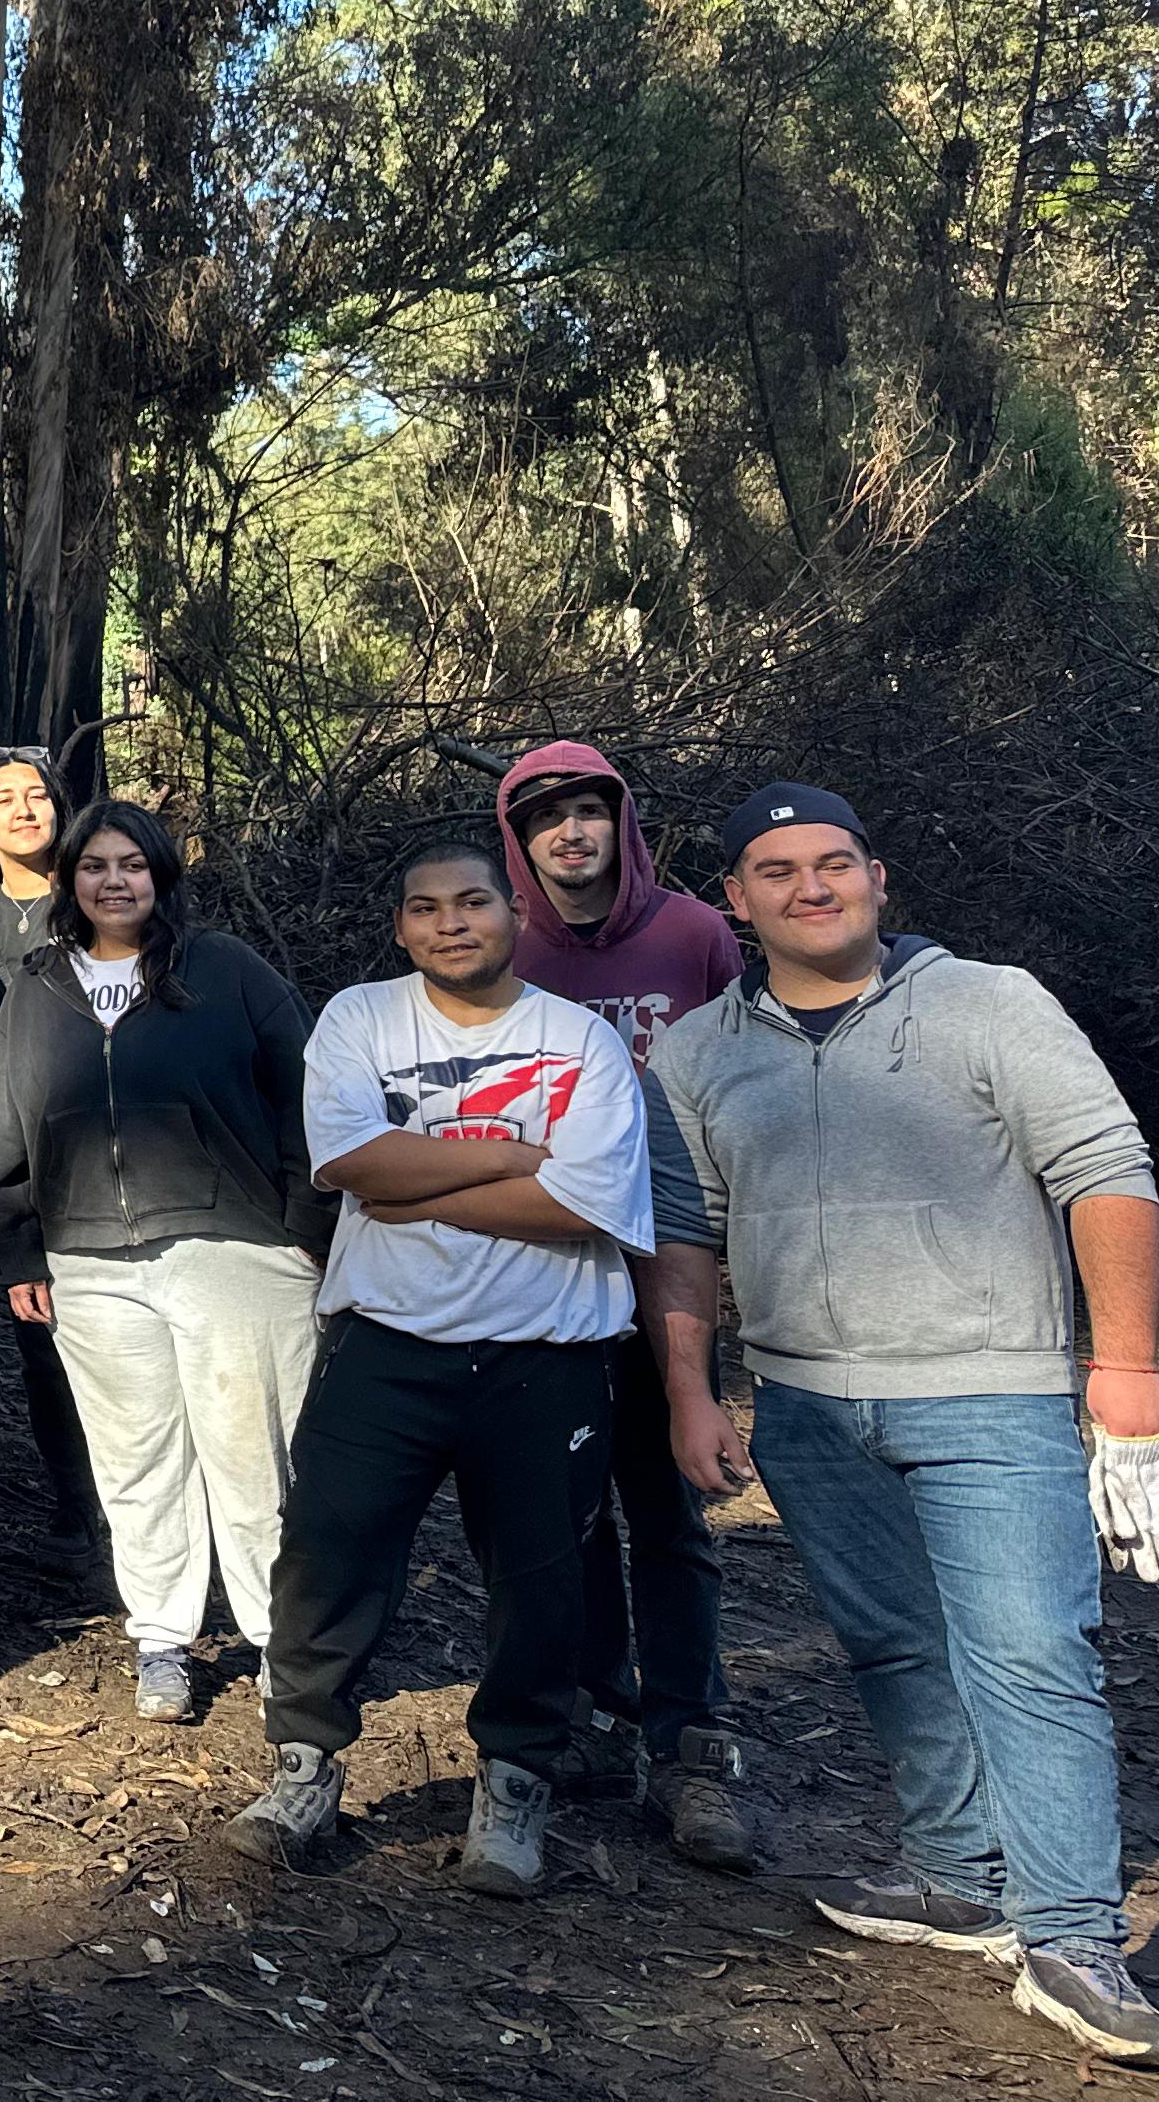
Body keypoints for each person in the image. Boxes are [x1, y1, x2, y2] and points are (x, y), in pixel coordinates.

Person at [642, 785, 1159, 2060]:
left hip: (993, 1391)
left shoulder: (990, 1004)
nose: (810, 887)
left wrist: (1130, 1369)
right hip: (809, 1405)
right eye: (777, 871)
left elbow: (1106, 1168)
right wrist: (693, 1391)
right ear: (735, 900)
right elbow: (685, 1233)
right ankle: (959, 1877)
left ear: (879, 880)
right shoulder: (696, 1052)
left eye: (834, 863)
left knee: (1028, 1657)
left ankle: (1072, 1937)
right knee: (892, 1647)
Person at [221, 837, 653, 1899]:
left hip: (546, 1351)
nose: (450, 923)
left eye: (471, 903)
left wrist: (415, 1185)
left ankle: (515, 1782)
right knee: (327, 1555)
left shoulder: (582, 1041)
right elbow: (350, 1162)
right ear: (401, 928)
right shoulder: (360, 1020)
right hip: (387, 1343)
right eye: (425, 908)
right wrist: (511, 1156)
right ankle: (305, 1764)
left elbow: (584, 1204)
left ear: (516, 913)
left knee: (541, 1580)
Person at [0, 801, 324, 1726]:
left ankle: (280, 1643)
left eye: (132, 864)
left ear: (161, 874)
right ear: (70, 880)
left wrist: (306, 1222)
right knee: (133, 1457)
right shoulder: (38, 987)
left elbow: (305, 1091)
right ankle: (163, 1638)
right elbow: (7, 1126)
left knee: (253, 1457)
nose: (114, 881)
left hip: (235, 1248)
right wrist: (21, 1247)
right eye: (95, 865)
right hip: (90, 1260)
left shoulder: (225, 969)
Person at [492, 738, 754, 1857]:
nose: (571, 832)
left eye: (589, 810)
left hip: (675, 1261)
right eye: (545, 817)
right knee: (569, 1509)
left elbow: (748, 1071)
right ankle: (598, 1709)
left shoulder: (692, 935)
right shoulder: (501, 947)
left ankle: (691, 1740)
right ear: (519, 840)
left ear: (622, 821)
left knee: (670, 1508)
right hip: (551, 1266)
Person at [0, 745, 107, 1581]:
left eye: (36, 794)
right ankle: (77, 1510)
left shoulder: (97, 902)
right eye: (3, 797)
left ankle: (142, 1507)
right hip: (16, 1162)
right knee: (41, 1339)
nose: (22, 808)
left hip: (105, 1149)